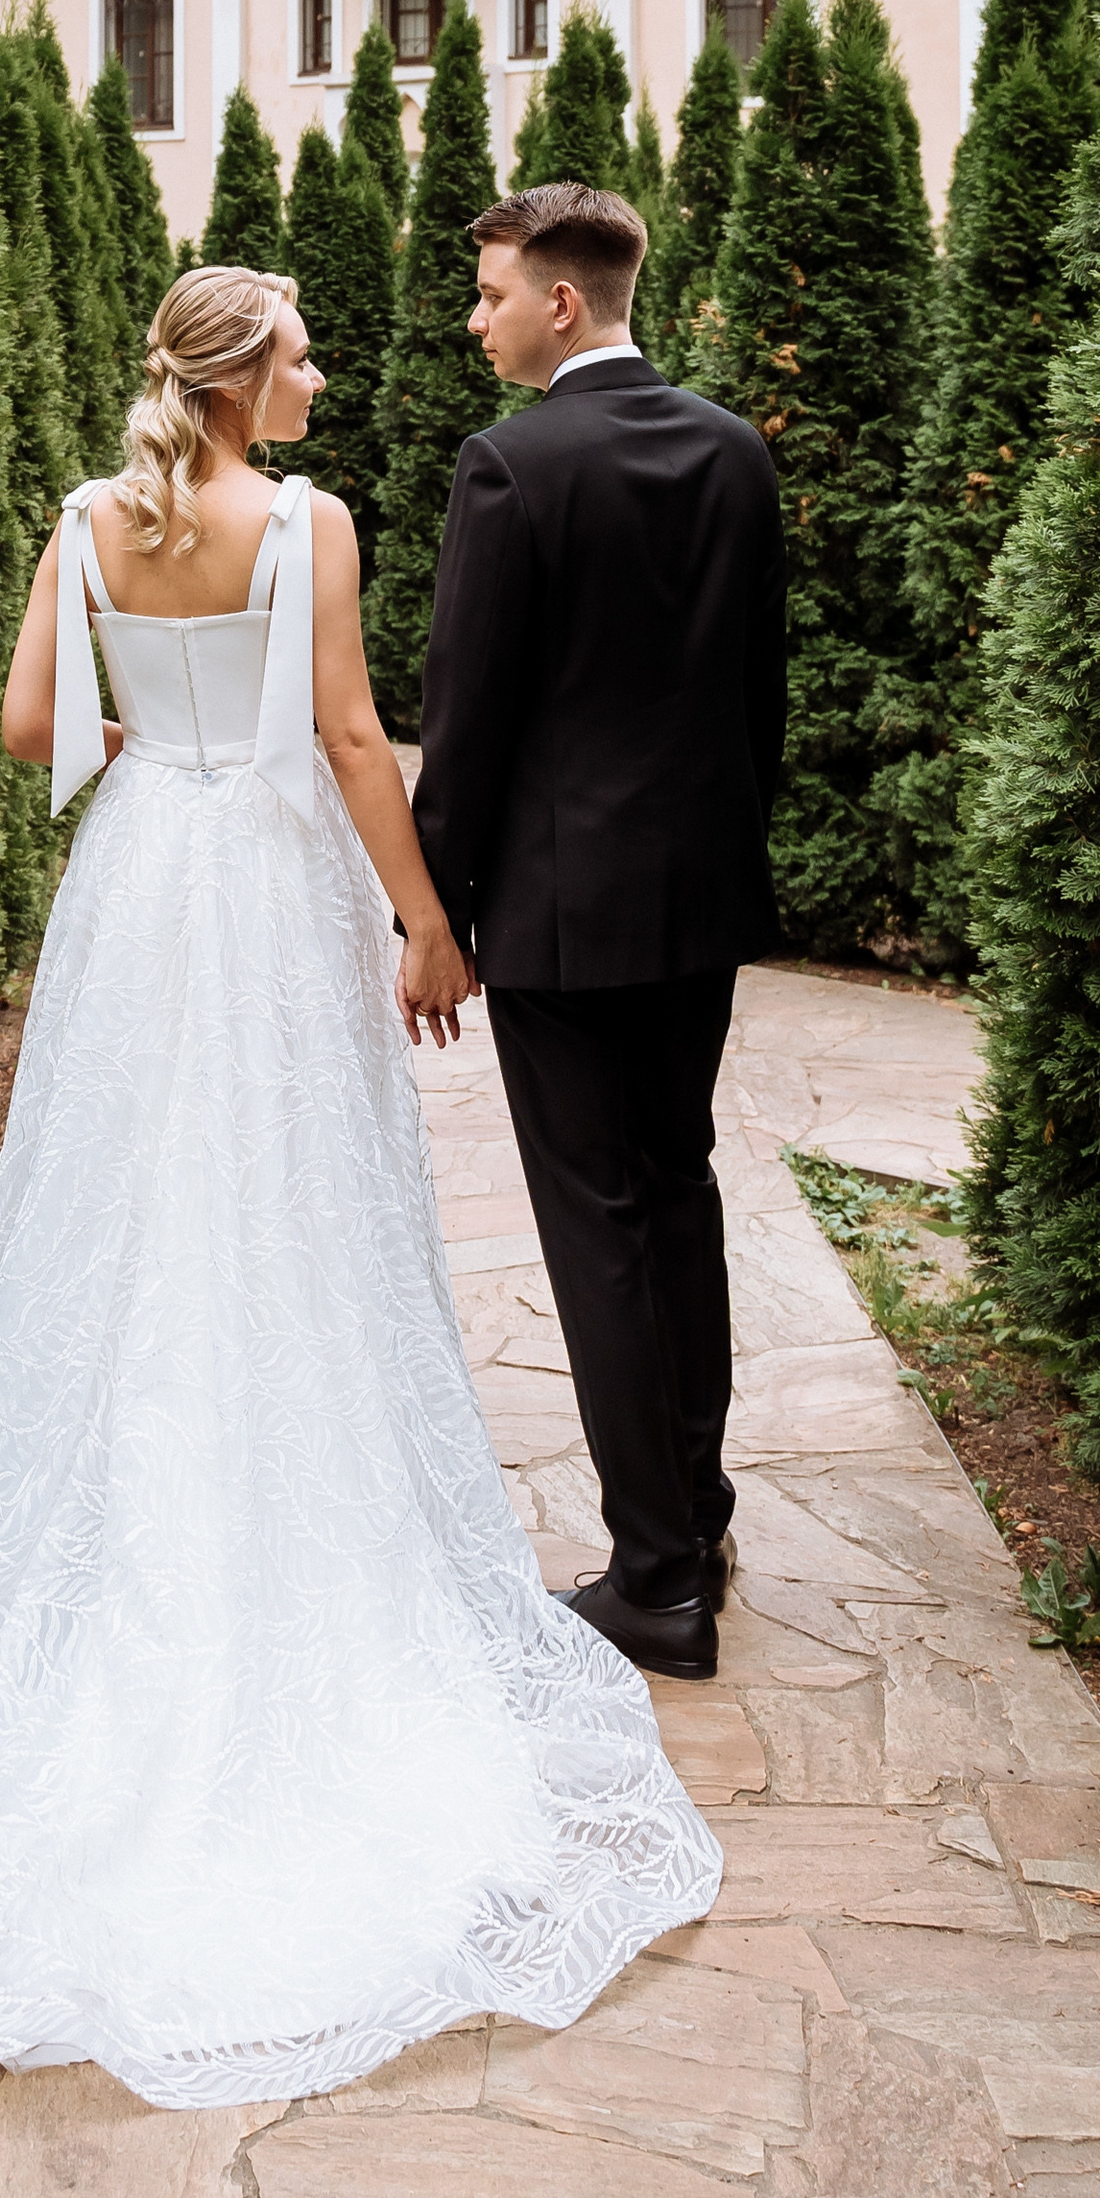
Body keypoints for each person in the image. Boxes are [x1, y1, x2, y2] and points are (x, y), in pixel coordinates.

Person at [0, 263, 718, 2105]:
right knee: (291, 1218)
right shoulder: (312, 522)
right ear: (248, 374)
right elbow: (352, 737)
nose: (323, 367)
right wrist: (430, 922)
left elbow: (33, 731)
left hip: (138, 880)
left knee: (113, 1214)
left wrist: (154, 753)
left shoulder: (88, 521)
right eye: (304, 345)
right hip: (265, 883)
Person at [412, 182, 787, 1686]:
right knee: (676, 1192)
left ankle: (655, 1584)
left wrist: (432, 912)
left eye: (492, 292)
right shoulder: (733, 449)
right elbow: (759, 694)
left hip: (564, 920)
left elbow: (470, 715)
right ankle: (695, 1515)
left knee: (599, 1228)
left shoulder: (509, 467)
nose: (478, 317)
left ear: (563, 301)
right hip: (698, 902)